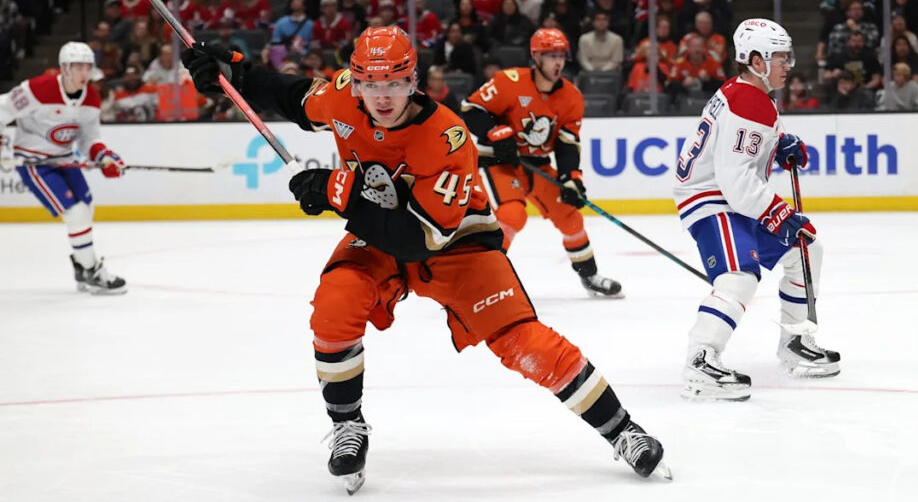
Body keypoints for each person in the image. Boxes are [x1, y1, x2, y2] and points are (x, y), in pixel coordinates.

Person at [181, 27, 669, 493]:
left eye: (395, 82)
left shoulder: (446, 138)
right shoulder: (343, 95)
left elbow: (418, 239)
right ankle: (348, 425)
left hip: (453, 242)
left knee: (524, 341)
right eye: (373, 84)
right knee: (334, 306)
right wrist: (230, 74)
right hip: (380, 235)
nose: (384, 96)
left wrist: (337, 189)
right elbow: (290, 96)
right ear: (357, 82)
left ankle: (622, 430)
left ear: (413, 80)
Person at [673, 19, 840, 401]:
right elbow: (736, 183)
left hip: (730, 195)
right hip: (711, 198)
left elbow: (742, 151)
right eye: (780, 57)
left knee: (806, 248)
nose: (788, 64)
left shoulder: (750, 93)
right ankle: (700, 361)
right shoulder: (748, 100)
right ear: (755, 60)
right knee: (738, 277)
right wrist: (778, 215)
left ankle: (794, 342)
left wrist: (779, 142)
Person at [460, 28, 623, 298]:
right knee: (512, 215)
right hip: (499, 162)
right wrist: (495, 132)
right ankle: (483, 279)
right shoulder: (508, 81)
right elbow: (470, 110)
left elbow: (567, 143)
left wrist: (572, 177)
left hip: (537, 164)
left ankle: (589, 275)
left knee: (570, 217)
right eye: (550, 56)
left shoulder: (571, 97)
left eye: (561, 55)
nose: (557, 62)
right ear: (536, 57)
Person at [0, 42, 127, 294]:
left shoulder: (91, 98)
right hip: (34, 162)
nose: (83, 73)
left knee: (86, 207)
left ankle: (81, 267)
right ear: (64, 68)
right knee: (75, 212)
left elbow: (89, 138)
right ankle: (92, 271)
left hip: (65, 158)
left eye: (87, 67)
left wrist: (104, 157)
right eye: (77, 67)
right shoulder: (37, 89)